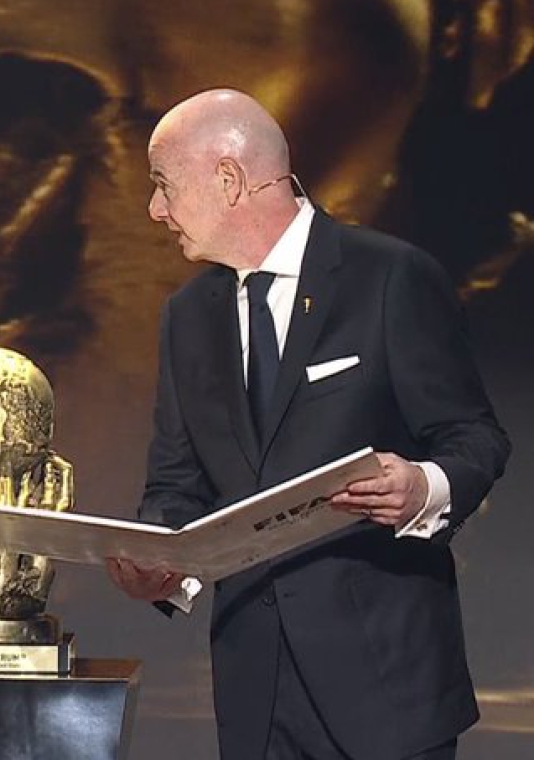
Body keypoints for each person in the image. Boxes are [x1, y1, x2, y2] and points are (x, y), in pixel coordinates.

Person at [106, 89, 510, 760]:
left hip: (386, 691)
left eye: (163, 184)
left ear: (229, 180)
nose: (154, 209)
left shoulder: (391, 278)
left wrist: (422, 487)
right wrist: (163, 564)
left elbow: (474, 436)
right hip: (256, 698)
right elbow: (175, 485)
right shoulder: (187, 317)